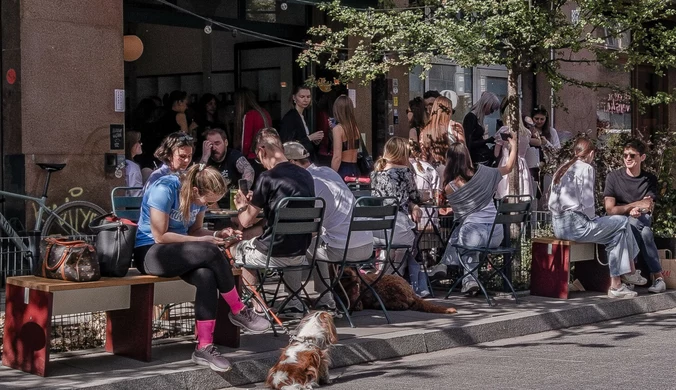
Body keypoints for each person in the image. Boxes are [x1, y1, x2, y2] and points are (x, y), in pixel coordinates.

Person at [133, 164, 270, 372]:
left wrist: (216, 235)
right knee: (210, 251)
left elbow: (195, 230)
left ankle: (204, 347)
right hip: (151, 251)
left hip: (180, 252)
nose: (210, 205)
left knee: (206, 276)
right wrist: (207, 241)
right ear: (196, 190)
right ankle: (238, 309)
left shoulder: (198, 198)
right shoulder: (165, 189)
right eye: (209, 201)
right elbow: (160, 236)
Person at [231, 128, 316, 313]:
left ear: (262, 150)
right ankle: (294, 299)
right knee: (283, 237)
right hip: (301, 253)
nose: (260, 162)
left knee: (236, 248)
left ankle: (257, 306)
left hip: (274, 253)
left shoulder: (268, 177)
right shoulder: (306, 175)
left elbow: (245, 221)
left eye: (258, 157)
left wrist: (241, 206)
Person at [283, 141, 374, 310]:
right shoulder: (327, 172)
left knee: (292, 242)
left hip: (344, 249)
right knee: (320, 240)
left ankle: (293, 303)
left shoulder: (310, 182)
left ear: (292, 163)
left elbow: (307, 227)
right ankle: (325, 299)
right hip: (366, 245)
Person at [548, 137, 642, 299]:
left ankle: (617, 285)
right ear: (591, 154)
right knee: (623, 221)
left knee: (617, 234)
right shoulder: (586, 168)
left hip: (558, 225)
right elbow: (588, 202)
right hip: (577, 225)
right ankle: (631, 270)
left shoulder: (563, 168)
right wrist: (593, 218)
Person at [438, 136, 517, 294]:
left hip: (473, 234)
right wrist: (513, 146)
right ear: (467, 156)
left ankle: (449, 268)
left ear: (450, 160)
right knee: (464, 231)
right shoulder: (486, 173)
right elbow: (508, 167)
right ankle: (462, 277)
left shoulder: (450, 187)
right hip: (496, 234)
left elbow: (460, 214)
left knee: (463, 232)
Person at [604, 139, 665, 293]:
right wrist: (631, 207)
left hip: (642, 217)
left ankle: (629, 274)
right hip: (620, 219)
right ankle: (658, 277)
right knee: (644, 232)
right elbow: (610, 209)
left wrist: (637, 210)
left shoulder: (649, 179)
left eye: (632, 155)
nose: (628, 159)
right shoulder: (613, 177)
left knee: (635, 223)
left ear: (642, 157)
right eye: (625, 155)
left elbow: (647, 205)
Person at [370, 137, 423, 279]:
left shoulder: (375, 173)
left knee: (392, 248)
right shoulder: (405, 172)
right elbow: (416, 195)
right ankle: (396, 276)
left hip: (378, 229)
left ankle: (386, 276)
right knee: (410, 240)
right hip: (397, 227)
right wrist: (415, 204)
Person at [199, 128, 254, 208]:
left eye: (217, 144)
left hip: (233, 202)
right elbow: (196, 177)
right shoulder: (205, 159)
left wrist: (243, 192)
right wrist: (204, 157)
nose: (214, 148)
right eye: (210, 145)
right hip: (213, 203)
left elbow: (249, 170)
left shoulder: (234, 156)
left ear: (226, 142)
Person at [494, 101, 534, 199]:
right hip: (522, 165)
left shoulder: (504, 130)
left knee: (506, 195)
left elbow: (496, 153)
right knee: (521, 194)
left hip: (507, 162)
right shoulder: (526, 133)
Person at [280, 86, 323, 162]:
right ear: (294, 97)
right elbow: (288, 143)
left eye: (308, 97)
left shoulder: (303, 116)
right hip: (297, 160)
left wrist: (314, 140)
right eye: (302, 97)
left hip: (306, 158)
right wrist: (310, 138)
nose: (305, 100)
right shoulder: (290, 117)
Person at [234, 88, 272, 166]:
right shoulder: (264, 112)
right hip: (267, 156)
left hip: (253, 158)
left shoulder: (249, 115)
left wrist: (241, 156)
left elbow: (246, 143)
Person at [463, 91, 500, 166]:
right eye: (492, 109)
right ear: (486, 105)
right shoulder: (471, 118)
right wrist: (487, 140)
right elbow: (468, 143)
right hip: (476, 159)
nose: (491, 113)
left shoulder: (477, 117)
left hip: (480, 157)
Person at [330, 95, 361, 178]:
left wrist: (332, 176)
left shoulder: (338, 129)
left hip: (343, 168)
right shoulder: (354, 128)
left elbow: (337, 157)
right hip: (355, 168)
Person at [125, 130, 143, 196]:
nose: (141, 144)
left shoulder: (126, 163)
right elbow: (137, 194)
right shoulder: (133, 167)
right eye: (138, 142)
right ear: (131, 145)